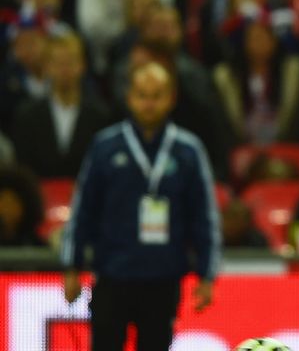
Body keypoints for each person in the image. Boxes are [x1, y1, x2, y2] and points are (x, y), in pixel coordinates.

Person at [60, 62, 221, 351]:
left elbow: (204, 216)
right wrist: (72, 266)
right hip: (112, 274)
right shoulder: (105, 146)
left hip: (163, 276)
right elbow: (83, 209)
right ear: (129, 97)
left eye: (157, 95)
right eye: (142, 95)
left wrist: (207, 274)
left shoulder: (188, 150)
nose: (149, 103)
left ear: (171, 98)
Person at [13, 33, 111, 179]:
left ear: (82, 65)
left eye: (70, 62)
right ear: (47, 67)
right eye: (58, 63)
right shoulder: (27, 116)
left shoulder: (101, 116)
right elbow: (23, 170)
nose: (64, 69)